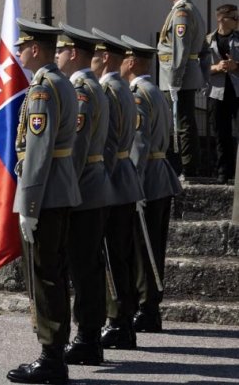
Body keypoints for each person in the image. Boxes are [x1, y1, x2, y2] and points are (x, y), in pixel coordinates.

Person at [6, 20, 80, 385]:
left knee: (44, 275)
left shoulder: (42, 90)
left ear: (36, 49)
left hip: (45, 194)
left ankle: (51, 357)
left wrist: (29, 207)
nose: (18, 52)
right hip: (61, 189)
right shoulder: (62, 83)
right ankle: (55, 352)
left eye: (22, 46)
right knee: (54, 272)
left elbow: (37, 153)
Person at [55, 24, 114, 366]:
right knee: (88, 265)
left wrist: (67, 189)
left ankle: (88, 338)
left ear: (73, 53)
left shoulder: (81, 88)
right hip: (96, 184)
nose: (58, 55)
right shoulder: (93, 86)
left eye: (61, 50)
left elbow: (76, 148)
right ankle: (89, 335)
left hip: (84, 189)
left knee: (83, 267)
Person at [121, 34, 183, 334]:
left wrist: (134, 185)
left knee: (142, 246)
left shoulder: (137, 94)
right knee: (152, 245)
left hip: (146, 179)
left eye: (123, 59)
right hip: (160, 176)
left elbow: (138, 144)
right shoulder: (154, 91)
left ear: (131, 62)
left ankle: (146, 308)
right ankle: (149, 306)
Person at [91, 27, 145, 351]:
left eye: (95, 56)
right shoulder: (122, 87)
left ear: (105, 57)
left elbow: (109, 142)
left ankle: (118, 323)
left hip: (113, 181)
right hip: (126, 177)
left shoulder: (109, 89)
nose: (92, 61)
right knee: (120, 255)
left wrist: (103, 180)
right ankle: (123, 322)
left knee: (111, 256)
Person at [156, 0, 207, 179]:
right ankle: (187, 166)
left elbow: (181, 48)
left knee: (182, 122)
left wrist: (175, 81)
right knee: (184, 120)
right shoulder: (187, 9)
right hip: (181, 74)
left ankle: (186, 167)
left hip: (177, 76)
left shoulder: (182, 12)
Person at [205, 4, 239, 183]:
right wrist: (216, 67)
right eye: (234, 18)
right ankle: (223, 173)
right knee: (221, 134)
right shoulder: (208, 40)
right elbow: (200, 68)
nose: (237, 21)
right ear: (222, 19)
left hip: (236, 91)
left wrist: (236, 66)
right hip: (216, 92)